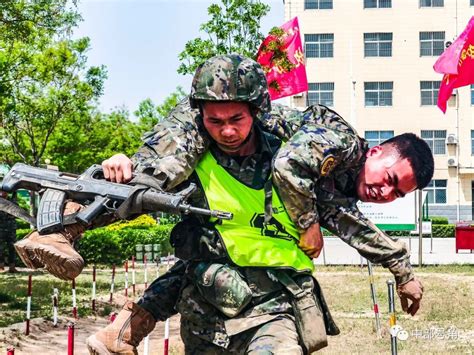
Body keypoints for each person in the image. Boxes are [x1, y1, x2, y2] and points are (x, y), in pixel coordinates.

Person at [83, 54, 432, 354]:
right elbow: (289, 167)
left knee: (206, 248)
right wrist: (124, 168)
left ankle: (123, 328)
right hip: (210, 295)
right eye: (389, 179)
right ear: (375, 152)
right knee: (173, 216)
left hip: (271, 303)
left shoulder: (333, 182)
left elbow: (348, 221)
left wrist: (402, 271)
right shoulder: (336, 144)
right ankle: (70, 230)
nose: (385, 192)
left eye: (397, 193)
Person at [0, 191, 18, 273]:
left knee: (12, 248)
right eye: (1, 191)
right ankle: (1, 266)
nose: (2, 193)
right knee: (0, 248)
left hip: (11, 229)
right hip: (1, 229)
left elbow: (17, 212)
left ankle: (12, 267)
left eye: (4, 192)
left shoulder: (12, 202)